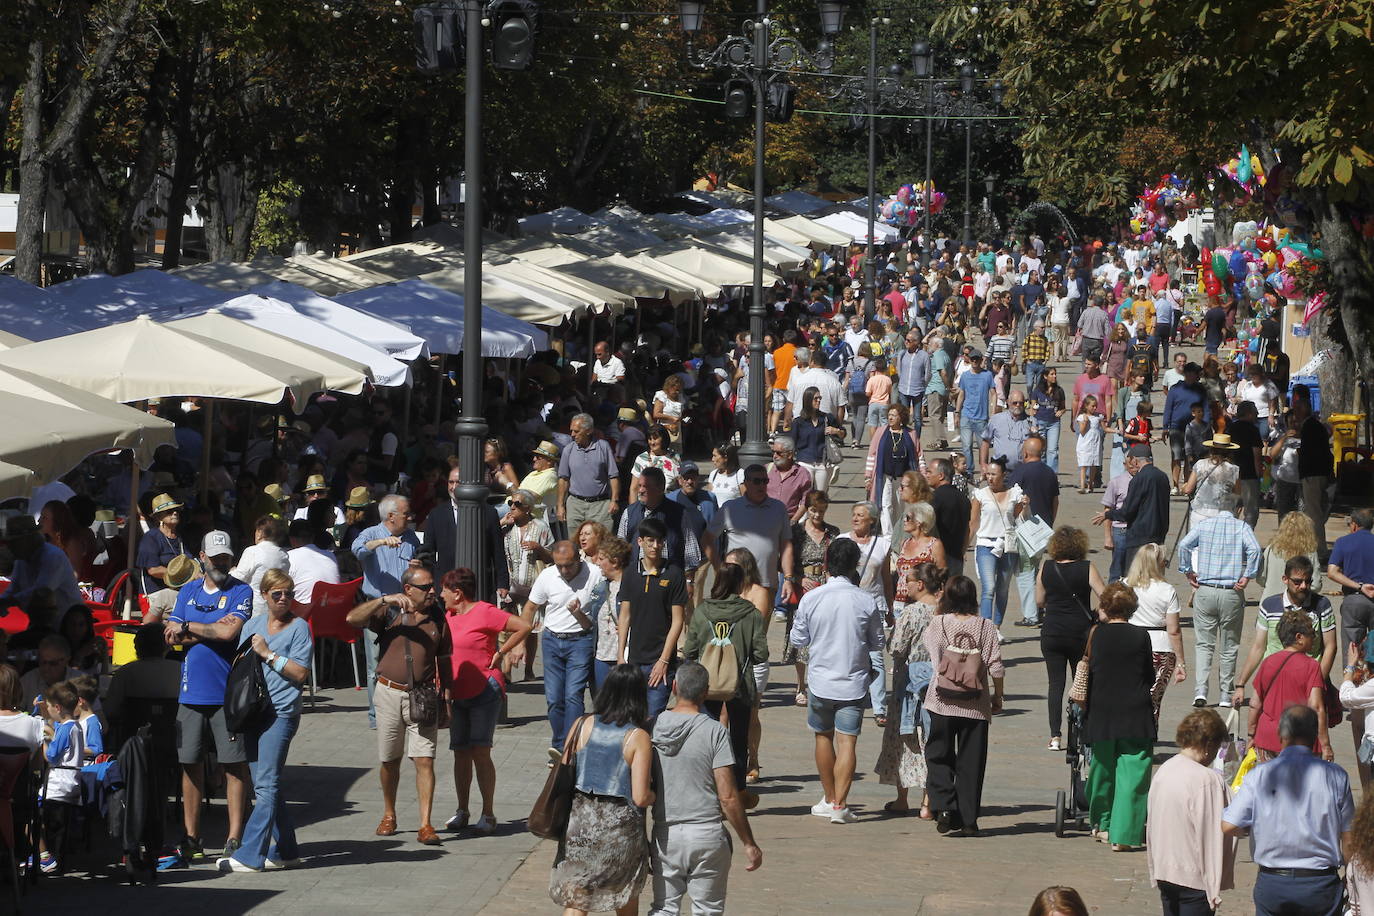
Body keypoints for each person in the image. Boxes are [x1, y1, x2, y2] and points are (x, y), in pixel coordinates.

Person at [647, 662, 762, 916]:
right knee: (708, 909)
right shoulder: (715, 732)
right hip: (707, 833)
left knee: (663, 908)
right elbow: (728, 797)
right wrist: (748, 842)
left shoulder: (652, 727)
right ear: (706, 692)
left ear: (674, 687)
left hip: (667, 835)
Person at [165, 530, 253, 862]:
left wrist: (189, 628)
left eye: (226, 558)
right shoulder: (186, 590)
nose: (221, 564)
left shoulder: (240, 591)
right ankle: (191, 837)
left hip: (228, 693)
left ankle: (234, 837)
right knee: (190, 765)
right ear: (201, 557)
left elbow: (229, 632)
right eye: (215, 558)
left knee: (233, 765)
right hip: (191, 691)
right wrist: (203, 629)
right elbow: (170, 636)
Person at [216, 570, 312, 873]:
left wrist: (269, 654)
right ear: (264, 596)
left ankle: (250, 856)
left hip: (281, 714)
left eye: (289, 593)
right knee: (266, 785)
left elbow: (300, 674)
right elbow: (240, 669)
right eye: (277, 594)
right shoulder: (253, 625)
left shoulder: (300, 628)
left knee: (266, 786)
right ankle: (286, 851)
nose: (284, 598)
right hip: (254, 713)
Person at [346, 564, 448, 843]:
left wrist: (447, 696)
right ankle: (389, 813)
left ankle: (426, 824)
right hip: (389, 693)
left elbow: (444, 658)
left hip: (423, 697)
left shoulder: (438, 615)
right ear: (407, 589)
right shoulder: (390, 612)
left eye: (432, 586)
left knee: (425, 760)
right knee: (390, 760)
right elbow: (351, 619)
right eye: (425, 587)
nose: (432, 591)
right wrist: (382, 600)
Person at [1222, 705, 1353, 916]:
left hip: (1274, 882)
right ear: (1315, 737)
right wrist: (1350, 875)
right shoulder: (1336, 776)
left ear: (1281, 736)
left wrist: (1253, 828)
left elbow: (1229, 825)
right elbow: (1348, 837)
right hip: (1320, 884)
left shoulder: (1259, 775)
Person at [789, 538, 884, 825]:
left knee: (822, 736)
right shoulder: (865, 600)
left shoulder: (812, 598)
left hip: (820, 680)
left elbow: (798, 639)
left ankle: (831, 798)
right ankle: (839, 804)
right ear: (855, 564)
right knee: (847, 743)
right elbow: (878, 642)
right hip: (852, 681)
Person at [549, 663, 654, 916]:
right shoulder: (637, 736)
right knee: (625, 892)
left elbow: (563, 772)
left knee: (576, 900)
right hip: (620, 831)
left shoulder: (580, 724)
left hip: (580, 824)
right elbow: (640, 796)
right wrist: (657, 796)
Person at [441, 567, 531, 835]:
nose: (441, 595)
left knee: (480, 751)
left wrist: (501, 651)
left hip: (484, 690)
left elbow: (523, 625)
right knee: (460, 752)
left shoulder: (485, 611)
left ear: (457, 594)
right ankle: (462, 811)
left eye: (445, 590)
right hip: (456, 693)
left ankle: (488, 813)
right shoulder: (448, 615)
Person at [923, 575, 1005, 836]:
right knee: (972, 763)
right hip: (975, 703)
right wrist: (998, 696)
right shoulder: (985, 626)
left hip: (942, 701)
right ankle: (969, 820)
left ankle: (945, 805)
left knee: (938, 756)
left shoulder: (938, 623)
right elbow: (996, 665)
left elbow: (933, 656)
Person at [683, 560, 769, 800]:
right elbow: (761, 654)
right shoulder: (750, 614)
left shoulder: (702, 611)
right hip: (740, 684)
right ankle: (738, 790)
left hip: (706, 686)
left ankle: (707, 787)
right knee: (738, 738)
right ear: (740, 584)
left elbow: (690, 650)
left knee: (707, 735)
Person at [1080, 582, 1155, 851]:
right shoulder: (1141, 636)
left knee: (1102, 770)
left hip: (1102, 711)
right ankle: (1124, 834)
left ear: (1105, 607)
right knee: (1133, 774)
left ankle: (1103, 823)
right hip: (1135, 711)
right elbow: (1149, 675)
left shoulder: (1096, 635)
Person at [515, 541, 602, 757]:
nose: (564, 571)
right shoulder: (548, 575)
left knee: (573, 695)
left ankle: (570, 748)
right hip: (552, 640)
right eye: (559, 565)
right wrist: (519, 642)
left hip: (580, 641)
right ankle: (560, 745)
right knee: (554, 699)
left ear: (579, 559)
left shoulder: (595, 574)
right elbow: (531, 607)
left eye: (569, 566)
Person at [1147, 709, 1237, 915]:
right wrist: (1213, 886)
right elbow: (1212, 833)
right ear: (1209, 744)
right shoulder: (1207, 779)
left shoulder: (1165, 769)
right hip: (1193, 877)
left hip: (1165, 870)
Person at [1178, 497, 1261, 707]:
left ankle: (1201, 691)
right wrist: (1248, 575)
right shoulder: (1241, 527)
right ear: (1239, 509)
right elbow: (1255, 550)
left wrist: (1188, 571)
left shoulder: (1204, 525)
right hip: (1231, 591)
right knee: (1229, 645)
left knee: (1204, 644)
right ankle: (1225, 693)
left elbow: (1184, 545)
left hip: (1205, 590)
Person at [876, 561, 942, 817]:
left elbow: (896, 648)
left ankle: (902, 798)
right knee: (930, 737)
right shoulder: (942, 611)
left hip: (909, 682)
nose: (905, 585)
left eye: (909, 581)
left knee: (904, 737)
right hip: (936, 682)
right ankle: (928, 801)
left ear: (921, 584)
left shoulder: (912, 613)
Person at [354, 494, 421, 729]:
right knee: (375, 664)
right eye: (406, 514)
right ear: (391, 516)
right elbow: (358, 550)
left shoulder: (411, 537)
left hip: (405, 605)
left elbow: (421, 559)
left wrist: (418, 565)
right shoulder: (371, 533)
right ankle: (377, 717)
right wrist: (380, 543)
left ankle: (405, 710)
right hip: (379, 605)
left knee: (406, 658)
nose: (410, 517)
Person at [1235, 555, 1336, 712]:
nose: (1303, 586)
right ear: (1285, 579)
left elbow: (1330, 647)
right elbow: (1258, 647)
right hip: (1274, 680)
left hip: (1307, 682)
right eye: (1297, 581)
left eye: (1308, 581)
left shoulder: (1322, 605)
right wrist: (1241, 684)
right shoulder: (1270, 605)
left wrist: (1317, 684)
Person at [1036, 527, 1106, 750]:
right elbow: (1105, 596)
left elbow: (1039, 601)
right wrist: (1097, 613)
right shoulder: (1087, 568)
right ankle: (1082, 732)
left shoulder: (1046, 568)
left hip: (1052, 631)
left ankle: (1055, 736)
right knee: (1082, 682)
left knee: (1055, 684)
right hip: (1080, 633)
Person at [616, 517, 687, 718]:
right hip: (634, 661)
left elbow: (678, 621)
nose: (655, 546)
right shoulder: (630, 573)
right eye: (650, 541)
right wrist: (621, 656)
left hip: (661, 661)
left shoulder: (674, 574)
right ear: (640, 542)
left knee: (652, 718)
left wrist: (664, 660)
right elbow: (625, 615)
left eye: (659, 541)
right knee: (632, 717)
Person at [703, 465, 796, 611]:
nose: (762, 485)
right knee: (735, 631)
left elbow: (786, 545)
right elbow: (707, 539)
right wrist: (718, 567)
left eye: (765, 481)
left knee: (759, 632)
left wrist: (788, 578)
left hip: (766, 584)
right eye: (757, 481)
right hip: (736, 584)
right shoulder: (730, 508)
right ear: (745, 483)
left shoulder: (778, 508)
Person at [1247, 610, 1330, 762]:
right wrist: (1325, 746)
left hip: (1266, 738)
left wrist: (1251, 734)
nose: (1314, 637)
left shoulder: (1268, 662)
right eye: (1311, 634)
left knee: (1268, 784)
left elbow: (1255, 703)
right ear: (1299, 637)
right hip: (1299, 741)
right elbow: (1317, 707)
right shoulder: (1312, 666)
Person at [838, 502, 894, 724]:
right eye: (853, 514)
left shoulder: (882, 544)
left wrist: (890, 607)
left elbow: (887, 579)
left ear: (872, 520)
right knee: (847, 653)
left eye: (860, 515)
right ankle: (849, 699)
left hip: (874, 606)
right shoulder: (841, 540)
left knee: (875, 657)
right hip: (846, 604)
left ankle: (880, 708)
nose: (855, 518)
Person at [1124, 543, 1187, 726]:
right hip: (1160, 648)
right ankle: (1147, 737)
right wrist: (1181, 662)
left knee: (1129, 695)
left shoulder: (1125, 585)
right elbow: (1173, 630)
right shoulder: (1167, 590)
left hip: (1130, 644)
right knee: (1153, 699)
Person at [788, 491, 838, 705]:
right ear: (806, 509)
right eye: (813, 510)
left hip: (826, 584)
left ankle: (821, 683)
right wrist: (797, 579)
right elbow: (785, 561)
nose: (818, 515)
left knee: (825, 636)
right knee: (802, 637)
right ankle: (801, 685)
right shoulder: (795, 532)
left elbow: (837, 560)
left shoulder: (832, 533)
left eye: (822, 511)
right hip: (803, 585)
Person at [1091, 444, 1171, 574]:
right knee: (1155, 578)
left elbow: (1127, 512)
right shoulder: (1162, 476)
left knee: (1135, 579)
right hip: (1159, 536)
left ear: (1135, 460)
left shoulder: (1138, 479)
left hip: (1139, 539)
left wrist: (1108, 514)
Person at [968, 457, 1027, 630]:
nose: (990, 478)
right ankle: (985, 628)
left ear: (1004, 475)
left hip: (1008, 545)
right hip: (985, 544)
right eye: (988, 474)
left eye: (994, 474)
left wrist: (1025, 506)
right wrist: (965, 547)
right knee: (989, 587)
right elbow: (973, 522)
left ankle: (996, 627)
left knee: (1002, 588)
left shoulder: (1014, 493)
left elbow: (1017, 517)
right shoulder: (980, 495)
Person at [0, 515, 82, 631]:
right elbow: (13, 589)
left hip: (68, 624)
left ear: (27, 540)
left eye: (13, 542)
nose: (10, 547)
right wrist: (3, 600)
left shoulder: (53, 556)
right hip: (42, 624)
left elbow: (42, 591)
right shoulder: (21, 560)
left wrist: (10, 601)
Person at [37, 680, 82, 874]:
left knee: (51, 823)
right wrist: (46, 718)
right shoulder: (75, 726)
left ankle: (47, 858)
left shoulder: (64, 729)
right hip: (72, 780)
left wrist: (45, 739)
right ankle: (58, 859)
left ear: (57, 707)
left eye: (49, 707)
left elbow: (51, 755)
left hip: (59, 783)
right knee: (62, 826)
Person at [558, 413, 621, 534]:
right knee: (575, 543)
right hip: (575, 504)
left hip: (600, 505)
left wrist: (614, 500)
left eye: (576, 431)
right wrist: (560, 505)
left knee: (602, 543)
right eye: (571, 431)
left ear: (589, 430)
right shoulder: (568, 450)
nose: (572, 435)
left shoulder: (603, 447)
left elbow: (613, 476)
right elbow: (563, 479)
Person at [865, 404, 921, 536]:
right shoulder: (880, 432)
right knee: (886, 506)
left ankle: (900, 533)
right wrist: (868, 476)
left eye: (893, 415)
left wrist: (922, 475)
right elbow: (872, 454)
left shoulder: (911, 434)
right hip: (885, 476)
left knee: (901, 507)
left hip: (904, 479)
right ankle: (888, 536)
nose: (890, 418)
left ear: (901, 418)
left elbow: (919, 456)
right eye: (889, 415)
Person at [1180, 432, 1241, 532]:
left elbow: (1188, 489)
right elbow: (1237, 494)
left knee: (1196, 545)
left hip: (1200, 512)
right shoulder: (1234, 469)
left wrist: (1183, 488)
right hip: (1222, 514)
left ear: (1211, 449)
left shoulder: (1200, 464)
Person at [590, 538, 630, 692]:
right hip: (601, 655)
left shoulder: (631, 586)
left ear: (614, 562)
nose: (597, 563)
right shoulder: (601, 588)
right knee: (603, 706)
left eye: (601, 559)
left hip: (624, 655)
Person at [1261, 510, 1324, 602]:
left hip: (1270, 602)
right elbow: (1316, 585)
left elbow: (1261, 578)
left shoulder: (1271, 548)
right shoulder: (1310, 552)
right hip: (1298, 603)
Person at [791, 386, 845, 494]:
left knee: (820, 496)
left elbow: (843, 434)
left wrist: (836, 431)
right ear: (808, 400)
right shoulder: (799, 422)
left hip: (822, 463)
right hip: (804, 462)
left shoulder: (826, 418)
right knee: (805, 495)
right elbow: (792, 443)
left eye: (820, 398)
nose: (819, 400)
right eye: (816, 398)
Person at [925, 457, 970, 578]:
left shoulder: (934, 498)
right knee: (952, 594)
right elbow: (967, 530)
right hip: (957, 557)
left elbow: (926, 528)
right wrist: (962, 551)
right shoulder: (963, 499)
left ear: (940, 476)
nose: (926, 475)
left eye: (929, 472)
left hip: (936, 559)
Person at [956, 350, 995, 473]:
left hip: (981, 417)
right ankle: (969, 470)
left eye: (977, 359)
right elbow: (961, 394)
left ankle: (984, 468)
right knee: (966, 446)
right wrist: (957, 413)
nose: (974, 361)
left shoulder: (987, 375)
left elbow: (993, 394)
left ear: (981, 360)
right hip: (966, 415)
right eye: (972, 359)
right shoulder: (965, 376)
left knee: (982, 446)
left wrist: (993, 411)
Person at [1031, 368, 1067, 473]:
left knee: (1053, 450)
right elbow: (1032, 405)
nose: (1055, 376)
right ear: (1045, 376)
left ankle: (1052, 474)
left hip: (1054, 424)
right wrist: (1033, 412)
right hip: (1040, 422)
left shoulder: (1059, 391)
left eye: (1055, 374)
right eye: (1052, 374)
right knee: (1041, 450)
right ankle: (1041, 473)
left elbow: (1063, 407)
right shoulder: (1037, 390)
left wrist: (1062, 411)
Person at [1074, 395, 1105, 495]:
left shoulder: (1098, 417)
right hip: (1085, 443)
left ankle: (1090, 484)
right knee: (1083, 464)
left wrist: (1116, 430)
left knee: (1093, 464)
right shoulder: (1082, 417)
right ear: (1086, 406)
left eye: (1096, 406)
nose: (1094, 408)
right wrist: (1085, 422)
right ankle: (1083, 486)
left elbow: (1104, 428)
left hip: (1095, 443)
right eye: (1092, 406)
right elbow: (1082, 431)